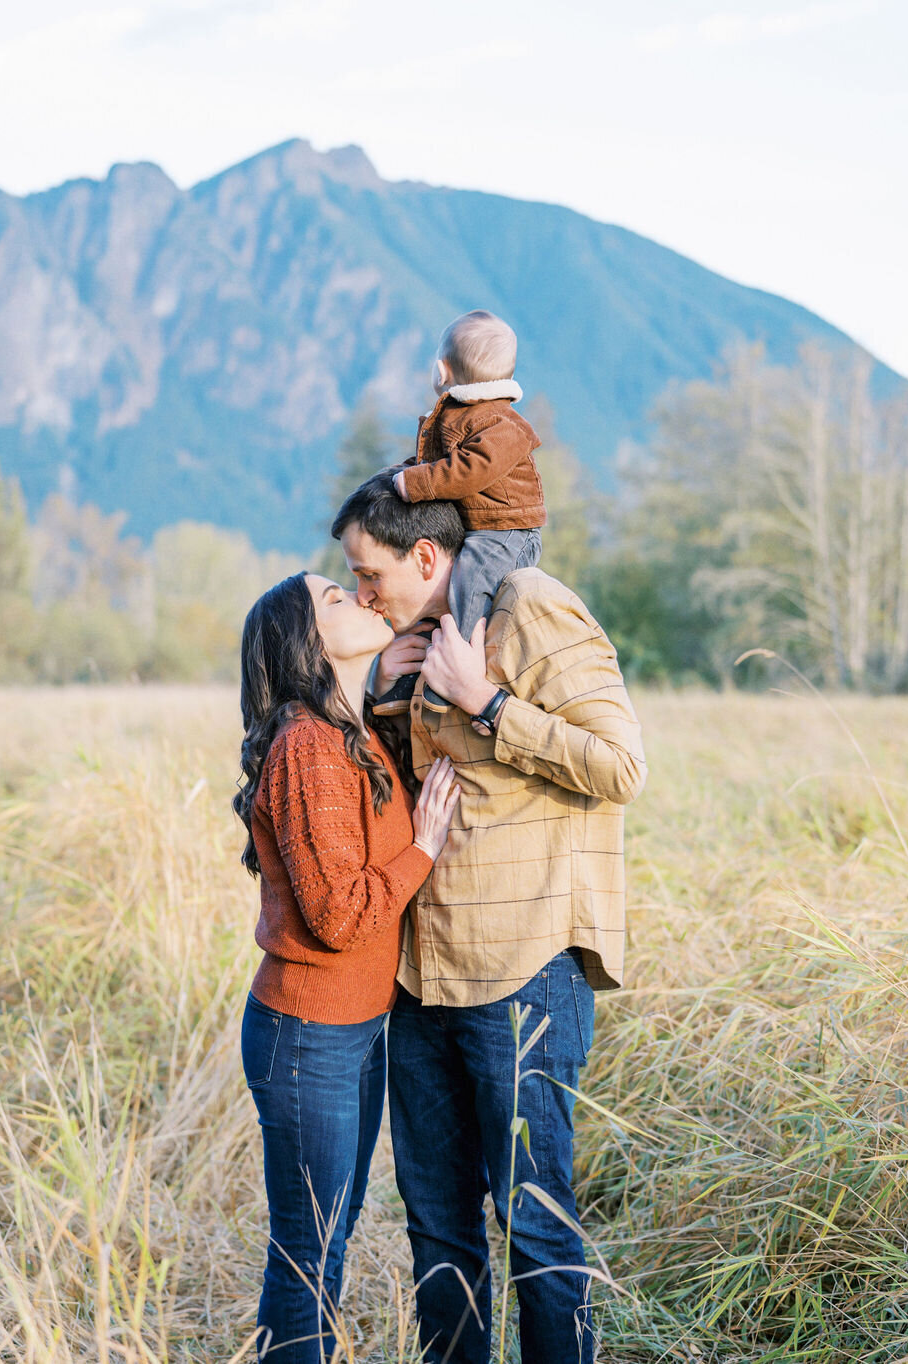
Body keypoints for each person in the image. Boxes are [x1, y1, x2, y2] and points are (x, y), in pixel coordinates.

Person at [331, 475, 647, 1364]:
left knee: (536, 1231)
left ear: (425, 556)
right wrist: (377, 695)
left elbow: (621, 766)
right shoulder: (414, 641)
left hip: (520, 977)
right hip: (418, 979)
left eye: (369, 575)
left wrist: (490, 702)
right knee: (437, 1230)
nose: (362, 595)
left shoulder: (531, 607)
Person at [233, 571, 460, 1364]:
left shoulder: (347, 734)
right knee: (309, 1251)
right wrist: (426, 849)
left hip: (352, 1030)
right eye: (335, 598)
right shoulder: (309, 746)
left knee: (330, 1236)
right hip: (310, 1036)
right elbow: (340, 916)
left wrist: (390, 676)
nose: (360, 597)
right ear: (306, 642)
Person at [388, 309, 545, 678]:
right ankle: (418, 662)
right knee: (441, 586)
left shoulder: (501, 423)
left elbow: (468, 471)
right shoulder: (460, 414)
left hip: (505, 532)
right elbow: (435, 463)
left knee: (472, 585)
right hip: (479, 526)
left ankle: (467, 675)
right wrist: (401, 476)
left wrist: (416, 483)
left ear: (440, 371)